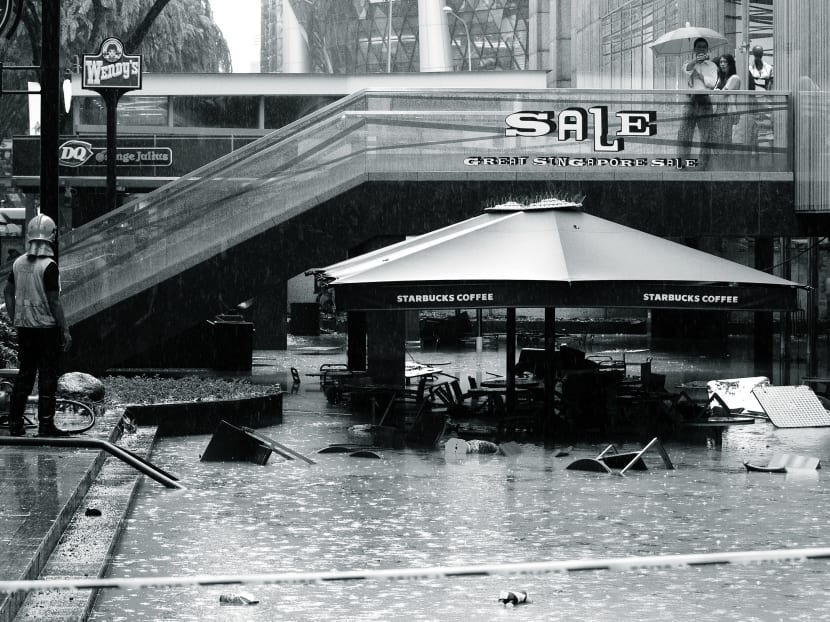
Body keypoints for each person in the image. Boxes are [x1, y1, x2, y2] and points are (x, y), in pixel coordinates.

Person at [3, 214, 72, 436]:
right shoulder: (49, 266)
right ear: (51, 237)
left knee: (25, 375)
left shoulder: (18, 263)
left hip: (25, 330)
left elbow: (7, 292)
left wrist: (15, 318)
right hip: (46, 330)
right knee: (47, 376)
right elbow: (54, 301)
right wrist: (65, 328)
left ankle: (15, 425)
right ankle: (45, 425)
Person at [677, 37, 718, 168]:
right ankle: (682, 162)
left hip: (705, 101)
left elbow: (712, 83)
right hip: (690, 101)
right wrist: (695, 62)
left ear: (707, 50)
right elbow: (686, 70)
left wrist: (699, 76)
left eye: (703, 47)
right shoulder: (688, 63)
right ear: (694, 49)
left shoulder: (712, 65)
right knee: (684, 133)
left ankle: (703, 165)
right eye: (698, 47)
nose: (701, 49)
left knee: (706, 135)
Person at [714, 54, 741, 145]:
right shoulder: (720, 79)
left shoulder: (734, 78)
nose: (722, 64)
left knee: (726, 139)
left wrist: (716, 92)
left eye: (725, 62)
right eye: (721, 62)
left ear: (730, 64)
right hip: (718, 112)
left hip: (728, 112)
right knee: (718, 138)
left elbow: (722, 95)